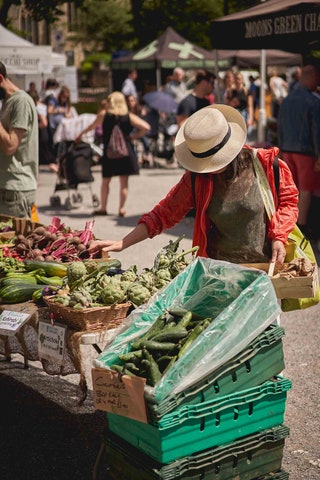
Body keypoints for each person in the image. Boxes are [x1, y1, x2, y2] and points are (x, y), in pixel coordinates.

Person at [88, 104, 299, 267]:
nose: (208, 168)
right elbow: (163, 214)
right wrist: (122, 243)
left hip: (265, 270)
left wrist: (279, 237)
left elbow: (289, 202)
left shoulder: (268, 165)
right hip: (218, 272)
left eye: (213, 160)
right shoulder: (197, 178)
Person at [277, 63, 320, 239]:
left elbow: (280, 126)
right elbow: (317, 130)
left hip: (287, 149)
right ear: (311, 77)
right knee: (306, 190)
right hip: (306, 151)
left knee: (291, 189)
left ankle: (290, 223)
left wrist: (279, 148)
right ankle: (301, 227)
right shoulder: (313, 101)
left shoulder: (287, 100)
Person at [92, 91, 151, 217]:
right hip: (125, 152)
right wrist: (133, 137)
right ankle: (121, 209)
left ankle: (103, 208)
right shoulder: (128, 116)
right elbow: (146, 127)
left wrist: (80, 135)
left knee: (105, 182)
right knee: (124, 183)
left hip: (109, 153)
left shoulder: (104, 115)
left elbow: (92, 126)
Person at [0, 61, 38, 218]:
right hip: (10, 187)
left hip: (14, 191)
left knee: (12, 242)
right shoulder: (8, 102)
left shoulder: (20, 102)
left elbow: (10, 145)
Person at [28, 90, 58, 173]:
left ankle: (61, 175)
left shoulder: (37, 108)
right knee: (37, 160)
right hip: (44, 135)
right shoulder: (42, 106)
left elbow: (44, 123)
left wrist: (33, 126)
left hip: (41, 136)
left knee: (47, 160)